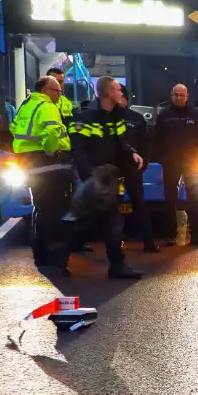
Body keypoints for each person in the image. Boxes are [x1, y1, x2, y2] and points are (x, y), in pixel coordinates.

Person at [66, 75, 144, 279]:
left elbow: (121, 142)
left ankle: (117, 265)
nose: (121, 93)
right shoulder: (84, 119)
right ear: (109, 92)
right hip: (95, 179)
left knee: (112, 223)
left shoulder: (116, 117)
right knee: (84, 223)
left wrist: (131, 152)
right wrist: (89, 177)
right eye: (118, 89)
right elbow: (78, 150)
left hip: (109, 178)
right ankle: (58, 259)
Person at [11, 75, 73, 271]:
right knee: (50, 208)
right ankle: (46, 253)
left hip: (26, 158)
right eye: (57, 91)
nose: (59, 94)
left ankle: (40, 251)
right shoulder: (47, 106)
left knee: (40, 206)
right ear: (46, 91)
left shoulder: (26, 105)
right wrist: (51, 151)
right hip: (44, 160)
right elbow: (52, 133)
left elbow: (14, 127)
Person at [153, 84, 198, 246]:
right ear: (171, 95)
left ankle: (196, 234)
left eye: (181, 95)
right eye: (176, 94)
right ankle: (170, 234)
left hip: (192, 164)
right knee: (169, 199)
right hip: (171, 163)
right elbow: (156, 140)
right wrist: (162, 159)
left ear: (187, 96)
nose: (179, 97)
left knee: (193, 199)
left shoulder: (196, 116)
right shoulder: (164, 116)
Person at [115, 84, 159, 252]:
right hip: (114, 170)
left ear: (125, 98)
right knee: (114, 207)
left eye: (118, 96)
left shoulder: (136, 118)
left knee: (139, 205)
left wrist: (145, 161)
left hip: (133, 169)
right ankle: (116, 242)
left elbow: (145, 142)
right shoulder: (109, 118)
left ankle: (149, 242)